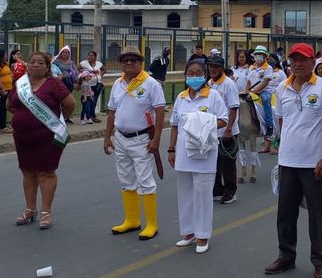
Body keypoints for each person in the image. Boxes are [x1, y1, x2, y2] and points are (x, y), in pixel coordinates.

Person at [263, 43, 322, 278]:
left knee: (317, 214)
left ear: (312, 62)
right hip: (288, 162)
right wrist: (283, 149)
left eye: (303, 59)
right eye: (294, 59)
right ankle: (286, 256)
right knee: (285, 213)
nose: (297, 64)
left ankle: (320, 260)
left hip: (314, 163)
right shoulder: (282, 88)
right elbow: (282, 122)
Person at [6, 51, 75, 230]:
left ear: (47, 67)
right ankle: (30, 209)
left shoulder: (54, 84)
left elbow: (70, 104)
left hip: (48, 136)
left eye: (40, 63)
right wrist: (24, 117)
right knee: (27, 171)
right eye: (32, 62)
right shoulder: (20, 84)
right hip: (22, 137)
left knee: (46, 173)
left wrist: (58, 120)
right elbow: (10, 105)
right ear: (27, 65)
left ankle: (46, 211)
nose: (35, 65)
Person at [103, 46, 166, 239]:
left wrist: (156, 139)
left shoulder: (151, 84)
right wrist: (107, 136)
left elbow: (160, 112)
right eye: (125, 60)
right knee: (126, 180)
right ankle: (132, 220)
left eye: (133, 60)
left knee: (145, 181)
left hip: (141, 139)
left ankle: (152, 224)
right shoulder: (118, 83)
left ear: (141, 62)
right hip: (121, 138)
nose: (129, 63)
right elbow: (111, 112)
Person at [169, 60, 228, 254]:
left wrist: (201, 122)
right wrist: (171, 149)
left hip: (204, 153)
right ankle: (189, 232)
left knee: (202, 195)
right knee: (185, 194)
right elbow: (175, 125)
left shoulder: (213, 96)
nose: (194, 77)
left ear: (205, 75)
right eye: (190, 73)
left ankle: (203, 235)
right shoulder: (181, 97)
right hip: (183, 153)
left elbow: (223, 120)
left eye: (198, 73)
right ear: (186, 76)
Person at [207, 54, 241, 205]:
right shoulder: (209, 83)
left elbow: (233, 107)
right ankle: (217, 190)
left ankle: (230, 192)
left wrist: (229, 129)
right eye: (210, 66)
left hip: (227, 130)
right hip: (214, 129)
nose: (212, 69)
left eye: (215, 67)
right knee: (214, 162)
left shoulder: (229, 84)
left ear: (221, 68)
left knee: (228, 163)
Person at [249, 45, 275, 150]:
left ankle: (269, 125)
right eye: (257, 54)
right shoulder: (251, 68)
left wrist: (254, 91)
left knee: (265, 100)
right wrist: (246, 91)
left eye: (261, 54)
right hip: (252, 91)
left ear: (265, 56)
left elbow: (265, 82)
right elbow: (248, 81)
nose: (258, 56)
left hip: (265, 91)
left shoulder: (268, 68)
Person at [52, 46, 78, 124]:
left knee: (68, 100)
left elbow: (75, 71)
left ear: (69, 54)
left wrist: (76, 82)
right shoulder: (56, 62)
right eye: (63, 52)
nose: (65, 54)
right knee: (60, 100)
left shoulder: (71, 62)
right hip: (60, 82)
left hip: (69, 82)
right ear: (60, 53)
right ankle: (59, 117)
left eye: (67, 52)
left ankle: (66, 117)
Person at [80, 50, 105, 120]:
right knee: (87, 101)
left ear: (95, 57)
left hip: (97, 84)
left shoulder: (99, 64)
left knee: (94, 100)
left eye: (92, 56)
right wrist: (84, 74)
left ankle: (92, 116)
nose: (90, 57)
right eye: (89, 55)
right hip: (87, 85)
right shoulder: (84, 63)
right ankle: (88, 116)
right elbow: (77, 69)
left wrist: (100, 75)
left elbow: (104, 69)